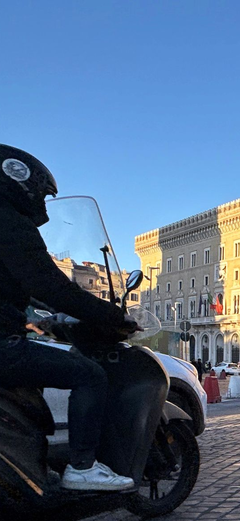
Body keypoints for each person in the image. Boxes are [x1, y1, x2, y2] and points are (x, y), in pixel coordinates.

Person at [0, 144, 137, 491]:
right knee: (88, 375)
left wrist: (34, 317)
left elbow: (19, 285)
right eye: (43, 197)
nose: (43, 207)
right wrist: (110, 315)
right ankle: (83, 466)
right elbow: (51, 285)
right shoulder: (9, 222)